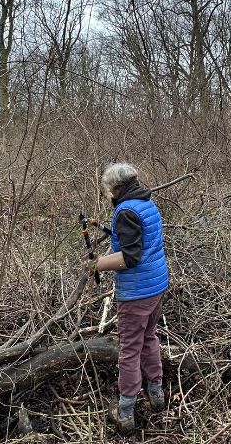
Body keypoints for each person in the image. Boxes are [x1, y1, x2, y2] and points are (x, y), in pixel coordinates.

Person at [86, 163, 169, 435]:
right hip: (157, 286)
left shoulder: (126, 210)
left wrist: (97, 265)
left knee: (130, 349)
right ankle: (156, 394)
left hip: (137, 292)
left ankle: (126, 411)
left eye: (107, 190)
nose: (107, 194)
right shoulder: (147, 202)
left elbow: (130, 258)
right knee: (149, 338)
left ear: (115, 188)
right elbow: (142, 243)